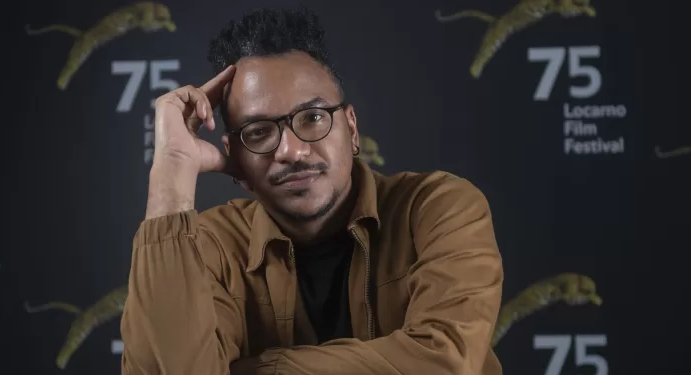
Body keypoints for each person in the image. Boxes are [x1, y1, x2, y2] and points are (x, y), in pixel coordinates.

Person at [120, 6, 504, 375]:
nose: (291, 151)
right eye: (259, 133)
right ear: (236, 160)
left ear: (351, 129)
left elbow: (448, 363)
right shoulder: (209, 248)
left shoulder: (439, 209)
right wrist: (170, 168)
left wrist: (262, 369)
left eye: (314, 117)